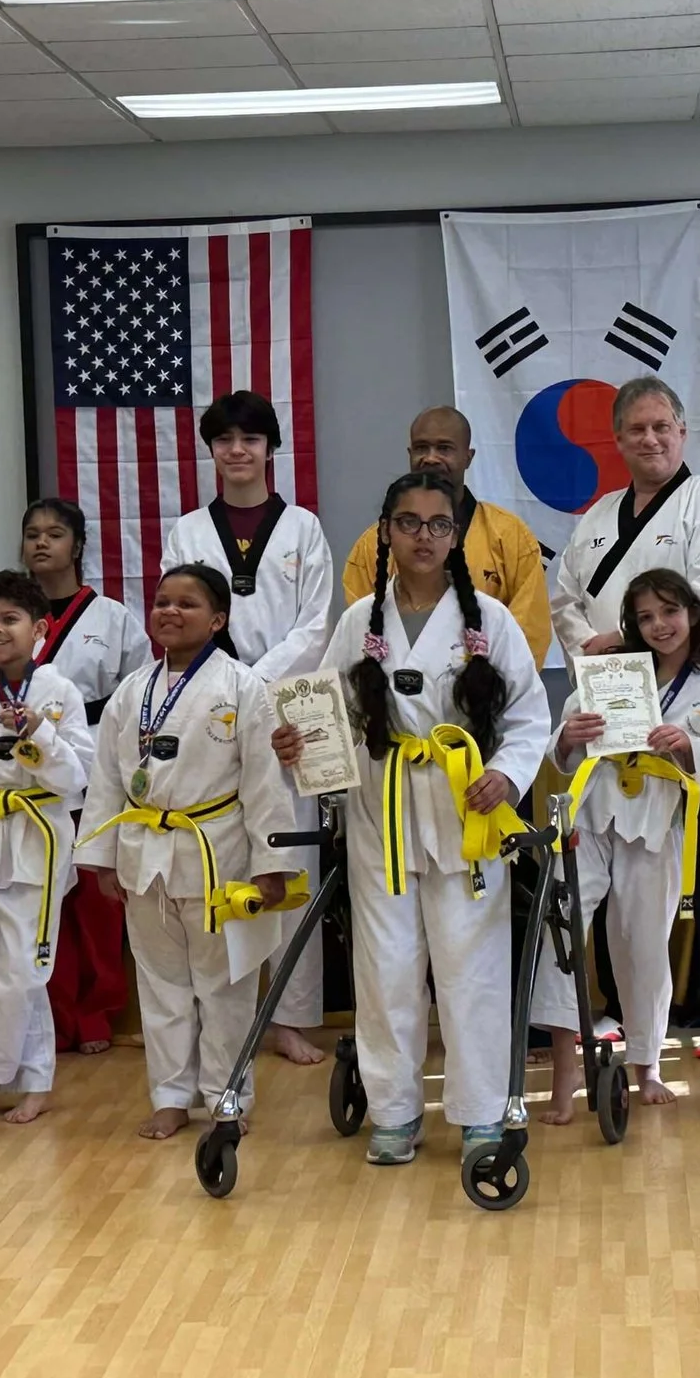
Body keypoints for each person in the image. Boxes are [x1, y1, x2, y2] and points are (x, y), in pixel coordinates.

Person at [276, 471, 549, 1169]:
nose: (422, 535)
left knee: (471, 968)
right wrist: (297, 743)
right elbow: (327, 713)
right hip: (382, 812)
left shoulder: (490, 617)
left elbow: (527, 717)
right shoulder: (355, 624)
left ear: (455, 535)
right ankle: (395, 1112)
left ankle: (482, 1111)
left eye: (437, 523)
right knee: (387, 969)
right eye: (408, 521)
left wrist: (507, 773)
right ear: (385, 533)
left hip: (467, 811)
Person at [546, 376, 700, 1058]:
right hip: (612, 689)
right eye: (635, 429)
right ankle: (624, 1015)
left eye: (661, 427)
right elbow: (566, 600)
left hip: (693, 684)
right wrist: (598, 646)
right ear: (616, 439)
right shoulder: (600, 515)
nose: (649, 438)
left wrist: (635, 636)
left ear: (682, 431)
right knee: (623, 850)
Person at [77, 563, 297, 1140]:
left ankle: (229, 1096)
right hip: (145, 848)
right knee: (161, 985)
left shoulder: (243, 687)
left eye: (187, 604)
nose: (169, 612)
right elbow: (106, 778)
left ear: (218, 618)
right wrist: (98, 857)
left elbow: (263, 782)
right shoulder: (132, 691)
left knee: (224, 986)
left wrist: (271, 863)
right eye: (161, 602)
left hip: (217, 851)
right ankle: (171, 1095)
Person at [161, 391, 335, 1066]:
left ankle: (291, 1015)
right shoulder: (188, 532)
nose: (238, 450)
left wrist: (254, 682)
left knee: (291, 860)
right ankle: (223, 1018)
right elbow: (180, 613)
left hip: (289, 711)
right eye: (225, 439)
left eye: (251, 439)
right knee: (224, 862)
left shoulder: (303, 528)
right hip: (210, 709)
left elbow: (316, 623)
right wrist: (229, 685)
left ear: (271, 448)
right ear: (211, 449)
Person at [549, 570, 700, 1109]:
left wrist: (686, 748)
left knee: (645, 944)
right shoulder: (609, 673)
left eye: (670, 611)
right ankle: (566, 1073)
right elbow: (561, 752)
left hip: (658, 821)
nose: (660, 625)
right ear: (631, 624)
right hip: (593, 810)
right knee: (562, 933)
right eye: (646, 616)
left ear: (694, 615)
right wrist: (569, 736)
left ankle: (646, 1065)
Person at [0, 570, 93, 1123]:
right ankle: (35, 1080)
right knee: (3, 968)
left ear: (39, 628)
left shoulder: (59, 692)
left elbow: (78, 776)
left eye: (9, 619)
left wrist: (39, 734)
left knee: (19, 971)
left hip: (39, 838)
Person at [20, 496, 150, 1056]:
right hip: (28, 771)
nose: (41, 543)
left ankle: (96, 1012)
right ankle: (53, 1014)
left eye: (55, 533)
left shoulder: (112, 618)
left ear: (78, 546)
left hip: (95, 759)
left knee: (95, 896)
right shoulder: (11, 615)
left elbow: (140, 698)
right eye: (32, 533)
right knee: (42, 896)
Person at [341, 406, 551, 661]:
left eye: (444, 448)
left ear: (468, 457)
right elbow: (363, 634)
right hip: (396, 693)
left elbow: (529, 632)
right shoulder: (375, 544)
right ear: (409, 454)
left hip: (483, 691)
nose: (430, 458)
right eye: (421, 448)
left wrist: (478, 687)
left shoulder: (509, 536)